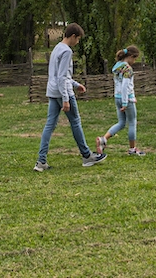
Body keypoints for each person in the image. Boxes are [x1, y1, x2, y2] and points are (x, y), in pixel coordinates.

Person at [36, 23, 105, 171]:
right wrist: (66, 99)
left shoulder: (57, 48)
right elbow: (62, 77)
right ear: (73, 36)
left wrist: (76, 84)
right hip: (63, 92)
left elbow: (60, 76)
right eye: (78, 39)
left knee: (49, 125)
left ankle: (41, 161)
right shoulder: (67, 51)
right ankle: (87, 156)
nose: (77, 42)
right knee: (75, 122)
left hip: (53, 91)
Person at [98, 45, 144, 157]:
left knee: (121, 123)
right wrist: (125, 102)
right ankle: (132, 149)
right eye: (135, 58)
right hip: (126, 99)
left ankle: (103, 139)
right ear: (131, 56)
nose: (134, 61)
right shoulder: (127, 68)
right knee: (132, 122)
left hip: (117, 97)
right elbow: (125, 86)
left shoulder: (117, 66)